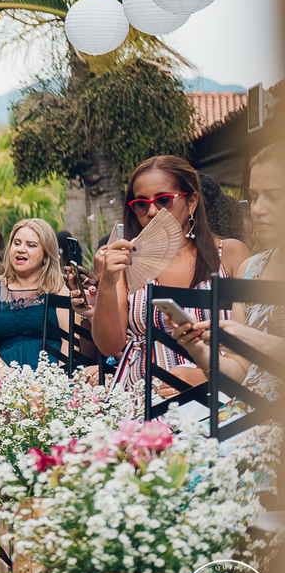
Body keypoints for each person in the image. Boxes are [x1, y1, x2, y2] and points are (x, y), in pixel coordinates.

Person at [88, 156, 251, 405]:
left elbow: (253, 341)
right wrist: (108, 281)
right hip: (142, 397)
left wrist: (205, 376)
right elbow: (109, 346)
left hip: (219, 393)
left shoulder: (230, 254)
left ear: (191, 201)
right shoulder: (125, 262)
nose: (152, 211)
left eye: (163, 200)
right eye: (141, 204)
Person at [167, 143, 285, 403]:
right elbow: (241, 371)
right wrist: (199, 350)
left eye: (274, 196)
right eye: (254, 196)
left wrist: (244, 336)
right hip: (245, 413)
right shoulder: (251, 269)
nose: (258, 208)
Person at [0, 219, 68, 372]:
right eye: (16, 243)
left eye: (31, 245)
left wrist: (62, 378)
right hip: (5, 375)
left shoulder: (60, 288)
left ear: (46, 255)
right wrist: (2, 371)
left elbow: (69, 341)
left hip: (51, 375)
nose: (21, 249)